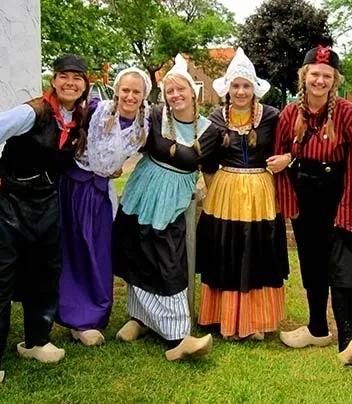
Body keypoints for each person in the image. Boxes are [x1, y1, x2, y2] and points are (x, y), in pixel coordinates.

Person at [0, 54, 89, 387]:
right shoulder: (31, 112)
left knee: (45, 274)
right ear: (54, 80)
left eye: (77, 78)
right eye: (64, 76)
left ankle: (36, 341)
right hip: (7, 204)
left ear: (84, 84)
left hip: (45, 205)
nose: (70, 83)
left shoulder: (77, 118)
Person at [268, 45, 352, 365]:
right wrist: (290, 201)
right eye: (314, 74)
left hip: (341, 196)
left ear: (335, 80)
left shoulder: (350, 115)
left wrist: (347, 210)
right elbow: (279, 162)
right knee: (312, 264)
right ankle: (317, 329)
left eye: (326, 76)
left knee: (341, 265)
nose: (320, 80)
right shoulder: (290, 114)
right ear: (304, 77)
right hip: (305, 199)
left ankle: (348, 340)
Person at [113, 54, 221, 361]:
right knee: (136, 251)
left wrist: (214, 202)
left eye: (180, 89)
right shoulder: (154, 114)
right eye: (169, 91)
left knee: (167, 260)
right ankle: (140, 318)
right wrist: (112, 163)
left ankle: (178, 335)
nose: (175, 95)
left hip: (173, 199)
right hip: (142, 190)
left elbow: (209, 169)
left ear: (193, 92)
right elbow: (126, 135)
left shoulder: (209, 131)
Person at [196, 48, 289, 340]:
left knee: (258, 250)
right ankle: (223, 317)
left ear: (254, 88)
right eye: (235, 85)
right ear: (228, 88)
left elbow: (290, 146)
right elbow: (207, 161)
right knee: (227, 249)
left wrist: (287, 158)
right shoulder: (215, 117)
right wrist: (217, 191)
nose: (240, 91)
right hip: (226, 191)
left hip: (261, 190)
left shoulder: (272, 117)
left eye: (246, 85)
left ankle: (255, 320)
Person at [55, 67, 152, 346]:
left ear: (144, 95)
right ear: (117, 90)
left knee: (98, 252)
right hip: (73, 186)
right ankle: (75, 319)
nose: (130, 96)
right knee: (71, 249)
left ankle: (93, 317)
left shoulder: (143, 128)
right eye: (126, 90)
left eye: (136, 92)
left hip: (99, 194)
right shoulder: (95, 109)